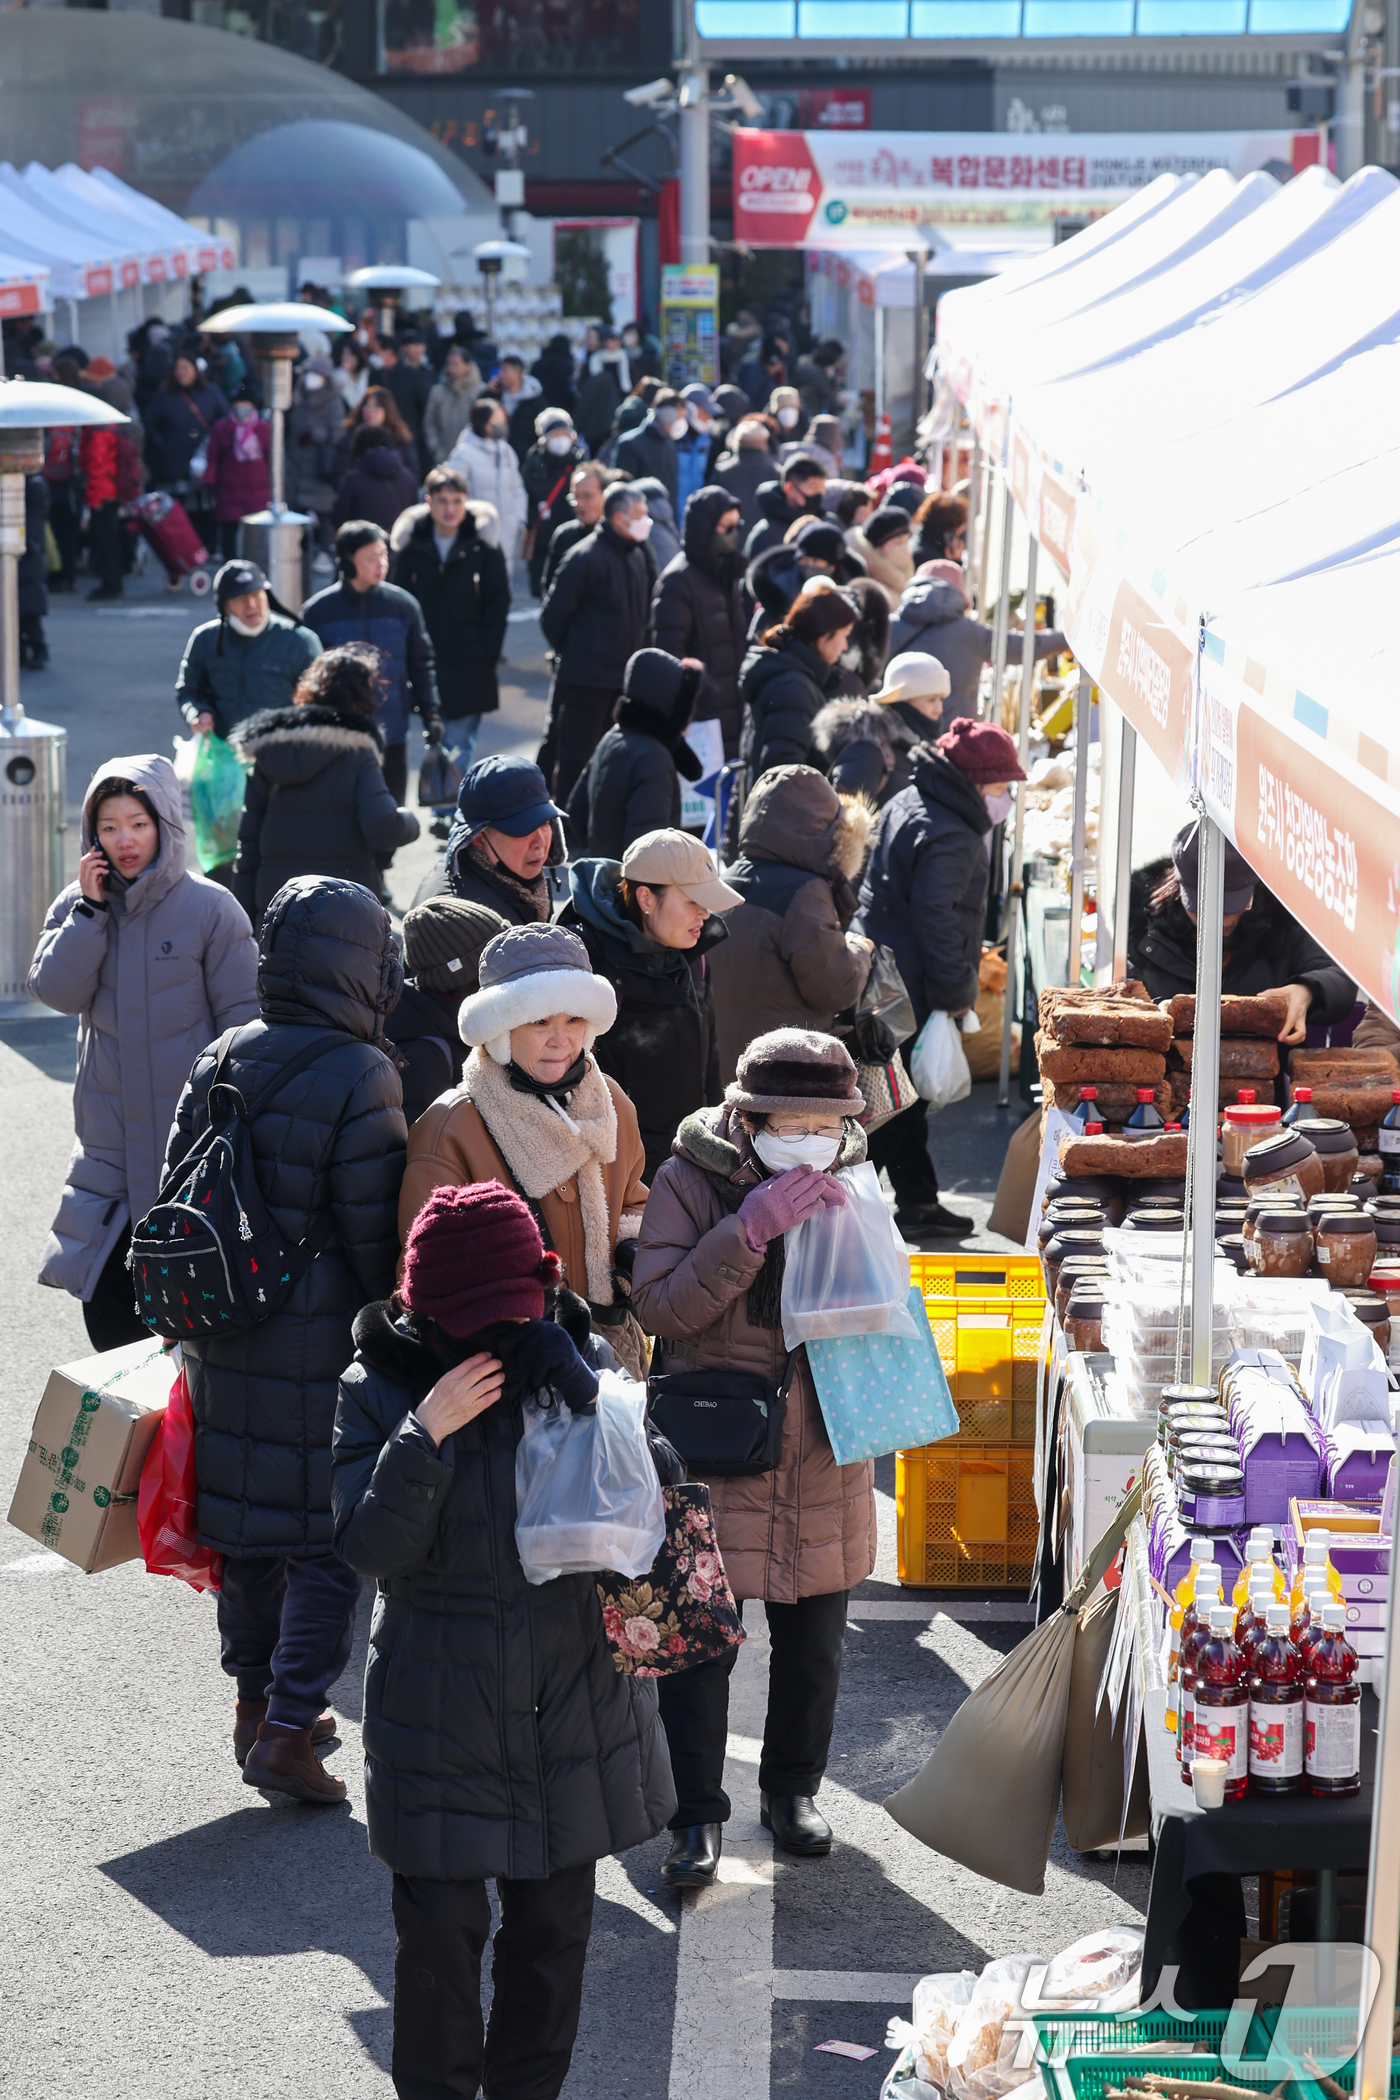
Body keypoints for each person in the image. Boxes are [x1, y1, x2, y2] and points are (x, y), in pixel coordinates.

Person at [331, 1179, 674, 2100]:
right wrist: (423, 1434)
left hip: (573, 1712)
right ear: (420, 1306)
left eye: (505, 1316)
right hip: (439, 1719)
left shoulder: (577, 1354)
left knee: (552, 1949)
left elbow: (658, 1516)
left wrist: (591, 1392)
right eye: (466, 1319)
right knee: (439, 1954)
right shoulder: (375, 1386)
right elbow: (367, 1548)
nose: (488, 1337)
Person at [166, 876, 407, 1801]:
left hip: (222, 1328)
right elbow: (372, 1231)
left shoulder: (222, 1051)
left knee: (247, 1535)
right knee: (323, 1541)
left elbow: (175, 1188)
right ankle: (289, 1726)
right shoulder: (361, 1071)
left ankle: (256, 1705)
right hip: (321, 1342)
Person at [632, 1029, 877, 1886]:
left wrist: (874, 1266)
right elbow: (659, 1308)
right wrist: (748, 1231)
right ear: (747, 1118)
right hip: (718, 1444)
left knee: (816, 1643)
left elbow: (886, 1307)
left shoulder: (856, 1179)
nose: (810, 1138)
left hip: (824, 1439)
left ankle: (792, 1792)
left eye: (827, 1123)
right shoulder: (689, 1178)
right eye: (792, 1122)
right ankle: (692, 1815)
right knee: (699, 1646)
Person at [29, 754, 258, 1350]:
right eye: (108, 827)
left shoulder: (210, 908)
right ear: (91, 835)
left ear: (165, 825)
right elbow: (56, 991)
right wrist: (90, 914)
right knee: (111, 1330)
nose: (124, 840)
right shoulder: (78, 905)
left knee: (194, 1329)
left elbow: (245, 1026)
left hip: (191, 1151)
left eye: (137, 822)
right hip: (106, 1150)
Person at [399, 923, 651, 1378]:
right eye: (539, 1021)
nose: (561, 1039)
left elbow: (632, 1197)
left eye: (574, 1019)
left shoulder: (611, 1102)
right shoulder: (451, 1127)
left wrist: (631, 1253)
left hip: (614, 1356)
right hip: (510, 1372)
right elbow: (425, 1276)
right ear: (499, 1030)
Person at [855, 715, 1026, 1236]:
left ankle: (916, 1201)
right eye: (1001, 787)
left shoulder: (914, 798)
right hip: (910, 982)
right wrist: (956, 995)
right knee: (896, 1104)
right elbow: (938, 920)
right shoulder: (953, 832)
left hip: (882, 969)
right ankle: (854, 1210)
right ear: (976, 783)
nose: (1005, 798)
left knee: (897, 1099)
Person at [564, 829, 734, 1181]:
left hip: (694, 1162)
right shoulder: (585, 961)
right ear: (645, 897)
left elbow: (710, 1058)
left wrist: (718, 1143)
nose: (705, 913)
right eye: (691, 900)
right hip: (623, 1177)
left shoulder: (694, 954)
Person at [230, 645, 421, 925]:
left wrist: (245, 919)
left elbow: (248, 845)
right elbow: (384, 828)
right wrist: (410, 820)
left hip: (277, 911)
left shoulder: (270, 751)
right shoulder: (358, 752)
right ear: (365, 697)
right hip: (344, 909)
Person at [709, 766, 873, 1085]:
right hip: (788, 1068)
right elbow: (835, 989)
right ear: (827, 830)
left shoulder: (725, 880)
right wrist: (859, 951)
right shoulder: (805, 892)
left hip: (725, 1063)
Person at [1127, 821, 1357, 1037]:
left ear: (1254, 888)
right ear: (1179, 888)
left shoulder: (1283, 923)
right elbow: (1128, 996)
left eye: (1231, 908)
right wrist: (1152, 1015)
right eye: (1202, 911)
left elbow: (1340, 975)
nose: (1220, 920)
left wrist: (1307, 991)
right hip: (1169, 1071)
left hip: (1265, 1071)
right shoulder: (1144, 931)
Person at [301, 521, 444, 805]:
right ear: (348, 562)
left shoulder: (403, 606)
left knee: (391, 813)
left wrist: (432, 714)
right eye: (371, 557)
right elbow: (306, 676)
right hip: (340, 735)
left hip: (393, 733)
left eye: (383, 555)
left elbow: (422, 664)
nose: (381, 563)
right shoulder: (318, 612)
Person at [392, 466, 511, 777]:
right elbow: (401, 600)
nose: (450, 509)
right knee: (437, 735)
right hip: (426, 658)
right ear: (428, 503)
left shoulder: (482, 543)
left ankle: (449, 811)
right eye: (442, 501)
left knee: (460, 741)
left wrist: (488, 649)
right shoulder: (412, 545)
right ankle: (444, 804)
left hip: (471, 659)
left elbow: (498, 600)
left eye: (457, 501)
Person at [539, 481, 653, 804]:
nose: (647, 521)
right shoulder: (585, 557)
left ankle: (596, 824)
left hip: (620, 681)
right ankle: (570, 830)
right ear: (619, 518)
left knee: (610, 759)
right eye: (640, 514)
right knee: (575, 757)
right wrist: (577, 655)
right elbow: (553, 617)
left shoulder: (636, 556)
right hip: (585, 680)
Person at [889, 559, 1067, 724]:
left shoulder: (890, 627)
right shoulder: (968, 632)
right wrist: (1066, 638)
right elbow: (1026, 647)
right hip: (955, 737)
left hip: (899, 734)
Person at [566, 647, 703, 860]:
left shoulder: (611, 738)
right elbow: (650, 852)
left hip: (605, 874)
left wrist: (602, 850)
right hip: (636, 889)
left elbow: (577, 811)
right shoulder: (654, 758)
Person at [386, 897, 509, 1125]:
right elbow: (422, 1152)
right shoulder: (424, 1055)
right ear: (466, 979)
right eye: (501, 969)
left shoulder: (452, 1020)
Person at [176, 558, 323, 744]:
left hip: (282, 753)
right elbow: (188, 690)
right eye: (240, 597)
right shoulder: (204, 639)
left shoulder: (301, 641)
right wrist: (197, 713)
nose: (251, 603)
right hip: (224, 753)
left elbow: (320, 702)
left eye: (257, 594)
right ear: (225, 606)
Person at [649, 486, 748, 760]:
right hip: (701, 717)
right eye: (724, 526)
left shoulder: (729, 573)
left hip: (735, 711)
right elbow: (669, 655)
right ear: (704, 528)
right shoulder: (678, 581)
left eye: (735, 525)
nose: (732, 534)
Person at [737, 579, 856, 794]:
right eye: (844, 636)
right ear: (822, 637)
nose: (846, 646)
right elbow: (783, 770)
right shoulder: (793, 688)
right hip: (789, 820)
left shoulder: (794, 675)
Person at [416, 752, 566, 918]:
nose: (540, 841)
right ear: (478, 839)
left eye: (545, 822)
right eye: (524, 829)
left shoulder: (514, 875)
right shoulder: (461, 918)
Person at [811, 649, 949, 805]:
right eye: (931, 700)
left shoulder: (920, 746)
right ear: (903, 699)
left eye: (941, 699)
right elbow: (845, 823)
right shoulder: (867, 750)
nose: (939, 709)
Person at [448, 396, 528, 567]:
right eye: (497, 419)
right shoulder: (463, 454)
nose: (503, 423)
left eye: (503, 418)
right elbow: (454, 491)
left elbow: (517, 488)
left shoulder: (507, 451)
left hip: (507, 528)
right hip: (476, 530)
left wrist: (518, 518)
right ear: (484, 423)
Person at [746, 517, 860, 637]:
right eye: (804, 560)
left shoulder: (850, 594)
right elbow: (758, 639)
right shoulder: (780, 590)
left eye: (816, 560)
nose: (809, 565)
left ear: (833, 566)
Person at [521, 408, 589, 598]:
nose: (561, 439)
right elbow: (527, 498)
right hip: (543, 534)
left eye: (564, 433)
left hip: (575, 529)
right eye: (555, 434)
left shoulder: (580, 461)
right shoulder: (534, 463)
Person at [143, 352, 226, 502]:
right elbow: (150, 423)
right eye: (178, 368)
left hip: (204, 458)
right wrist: (162, 446)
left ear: (195, 369)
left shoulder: (211, 392)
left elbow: (223, 418)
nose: (182, 373)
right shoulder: (164, 395)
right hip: (174, 463)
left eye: (185, 368)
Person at [203, 383, 271, 561]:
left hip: (257, 490)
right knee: (228, 535)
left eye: (246, 403)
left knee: (256, 535)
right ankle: (231, 566)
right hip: (229, 490)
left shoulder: (263, 429)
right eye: (238, 402)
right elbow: (213, 456)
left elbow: (271, 458)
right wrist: (209, 481)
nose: (241, 407)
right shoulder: (222, 428)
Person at [284, 356, 342, 537]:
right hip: (297, 463)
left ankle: (324, 550)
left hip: (319, 465)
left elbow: (337, 433)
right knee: (298, 514)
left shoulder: (333, 401)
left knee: (323, 514)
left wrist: (314, 434)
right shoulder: (299, 395)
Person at [329, 426, 420, 536]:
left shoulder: (353, 480)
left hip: (364, 548)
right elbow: (416, 516)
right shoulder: (408, 477)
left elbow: (338, 518)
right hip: (400, 547)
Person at [539, 461, 609, 597]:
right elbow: (549, 587)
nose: (580, 504)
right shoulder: (565, 535)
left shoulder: (621, 537)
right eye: (576, 497)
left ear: (605, 495)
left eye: (588, 496)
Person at [743, 453, 828, 563]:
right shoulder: (766, 535)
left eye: (822, 488)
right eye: (813, 486)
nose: (819, 493)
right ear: (790, 488)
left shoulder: (826, 522)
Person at [614, 386, 685, 515]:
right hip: (640, 518)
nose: (681, 421)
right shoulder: (630, 444)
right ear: (669, 414)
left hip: (666, 519)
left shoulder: (670, 444)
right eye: (679, 416)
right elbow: (622, 492)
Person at [332, 384, 418, 485]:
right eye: (367, 405)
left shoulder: (400, 439)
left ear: (387, 410)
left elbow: (413, 473)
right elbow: (340, 473)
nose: (371, 411)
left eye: (377, 406)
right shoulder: (351, 438)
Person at [379, 330, 435, 475]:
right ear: (403, 348)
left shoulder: (428, 371)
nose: (418, 349)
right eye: (413, 345)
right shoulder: (389, 374)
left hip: (416, 431)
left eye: (420, 344)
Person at [422, 342, 483, 467]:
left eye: (455, 364)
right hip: (443, 457)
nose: (451, 368)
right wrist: (436, 449)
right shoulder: (437, 391)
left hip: (473, 458)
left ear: (468, 366)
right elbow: (430, 423)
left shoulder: (480, 391)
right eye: (449, 364)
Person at [713, 416, 777, 528]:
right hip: (766, 539)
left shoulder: (722, 471)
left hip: (730, 538)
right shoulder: (777, 472)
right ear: (764, 443)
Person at [575, 330, 630, 453]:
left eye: (618, 340)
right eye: (612, 340)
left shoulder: (625, 359)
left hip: (620, 415)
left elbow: (631, 387)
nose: (616, 343)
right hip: (597, 417)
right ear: (604, 342)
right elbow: (585, 392)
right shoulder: (593, 360)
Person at [853, 506, 915, 608]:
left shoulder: (903, 584)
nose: (906, 548)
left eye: (907, 541)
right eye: (899, 542)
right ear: (879, 547)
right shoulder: (879, 595)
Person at [19, 470, 49, 669]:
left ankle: (37, 646)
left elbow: (38, 512)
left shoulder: (31, 480)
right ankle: (22, 649)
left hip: (26, 547)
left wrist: (26, 539)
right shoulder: (33, 480)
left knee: (27, 605)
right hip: (25, 544)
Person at [490, 352, 544, 463]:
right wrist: (489, 392)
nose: (500, 374)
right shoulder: (496, 396)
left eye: (505, 370)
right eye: (500, 370)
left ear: (517, 372)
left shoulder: (534, 400)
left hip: (524, 456)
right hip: (497, 455)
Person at [674, 384, 718, 516]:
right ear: (689, 409)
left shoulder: (708, 441)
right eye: (705, 411)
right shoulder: (672, 440)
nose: (709, 417)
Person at [736, 330, 792, 411]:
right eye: (779, 364)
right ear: (773, 361)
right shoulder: (753, 374)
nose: (779, 368)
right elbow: (749, 400)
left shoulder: (765, 375)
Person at [910, 490, 968, 568]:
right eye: (958, 527)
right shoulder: (929, 557)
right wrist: (955, 564)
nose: (959, 531)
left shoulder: (923, 538)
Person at [795, 338, 845, 421]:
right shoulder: (819, 375)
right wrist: (843, 404)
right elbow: (832, 403)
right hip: (810, 416)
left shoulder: (807, 367)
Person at [531, 330, 578, 414]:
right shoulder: (565, 364)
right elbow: (567, 390)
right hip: (560, 409)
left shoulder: (539, 363)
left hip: (539, 408)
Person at [332, 338, 371, 416]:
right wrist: (344, 372)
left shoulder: (367, 374)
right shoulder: (338, 375)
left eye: (350, 354)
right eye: (344, 354)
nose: (346, 358)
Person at [621, 318, 663, 382]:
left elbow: (656, 378)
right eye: (627, 333)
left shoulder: (650, 356)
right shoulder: (620, 357)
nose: (629, 336)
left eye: (632, 333)